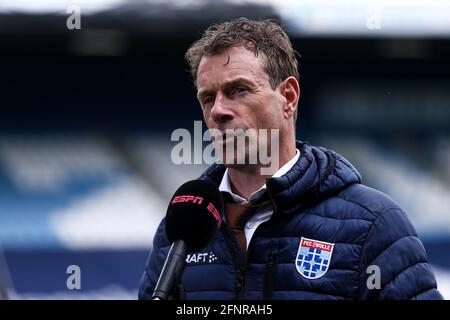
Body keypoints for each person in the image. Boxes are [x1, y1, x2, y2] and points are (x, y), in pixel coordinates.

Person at [139, 17, 443, 300]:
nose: (218, 110)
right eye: (208, 98)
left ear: (288, 97)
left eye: (238, 90)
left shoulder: (373, 224)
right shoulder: (179, 229)